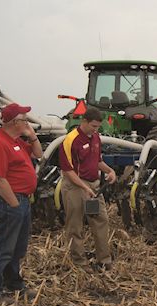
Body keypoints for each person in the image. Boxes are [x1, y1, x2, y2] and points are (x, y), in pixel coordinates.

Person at [0, 103, 43, 301]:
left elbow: (39, 153)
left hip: (22, 200)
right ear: (15, 122)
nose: (27, 122)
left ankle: (14, 283)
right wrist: (14, 204)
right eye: (24, 119)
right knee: (3, 248)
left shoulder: (15, 141)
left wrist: (32, 135)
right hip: (11, 201)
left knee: (17, 248)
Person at [59, 107, 117, 270]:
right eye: (93, 126)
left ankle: (104, 259)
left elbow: (97, 161)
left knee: (101, 220)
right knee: (75, 224)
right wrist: (84, 187)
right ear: (84, 121)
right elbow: (68, 171)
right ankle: (79, 262)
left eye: (98, 127)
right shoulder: (71, 140)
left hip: (93, 185)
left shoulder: (96, 138)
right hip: (75, 186)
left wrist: (110, 171)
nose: (96, 129)